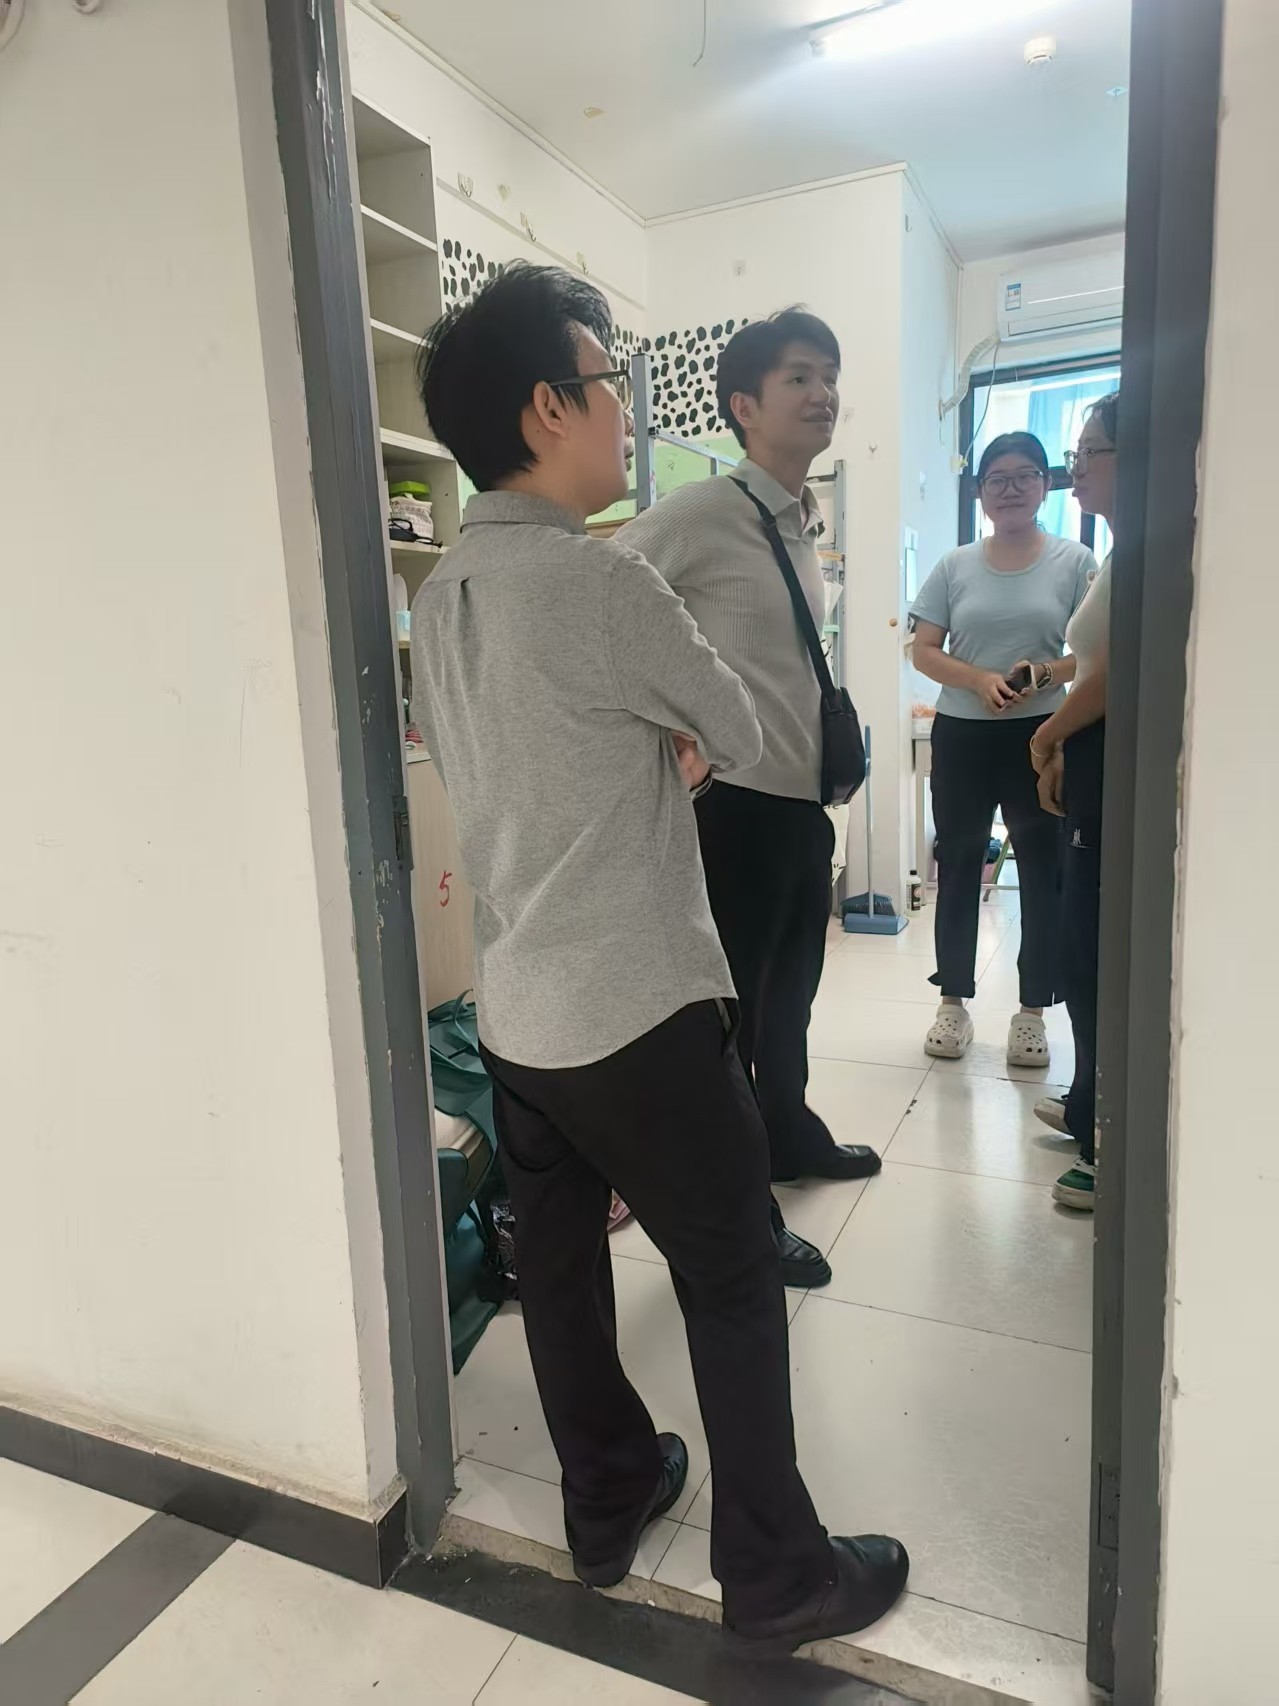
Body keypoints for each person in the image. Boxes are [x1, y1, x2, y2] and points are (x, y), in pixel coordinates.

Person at [409, 264, 908, 1650]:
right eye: (604, 381)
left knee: (562, 1268)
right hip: (633, 999)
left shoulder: (443, 589)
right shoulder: (596, 579)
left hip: (519, 1003)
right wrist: (670, 743)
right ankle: (778, 1572)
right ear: (544, 407)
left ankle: (608, 1495)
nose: (624, 409)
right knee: (733, 1268)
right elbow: (742, 729)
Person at [619, 310, 882, 1199]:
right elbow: (602, 605)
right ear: (743, 405)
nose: (822, 393)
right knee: (730, 1016)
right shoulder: (702, 512)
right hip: (734, 808)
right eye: (798, 377)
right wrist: (669, 730)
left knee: (791, 999)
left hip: (800, 807)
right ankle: (731, 1195)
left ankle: (788, 1136)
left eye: (829, 376)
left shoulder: (798, 521)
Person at [910, 432, 1096, 1066]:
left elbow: (1093, 655)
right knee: (959, 864)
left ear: (1045, 484)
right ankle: (952, 1003)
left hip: (1042, 735)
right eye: (997, 479)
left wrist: (1043, 673)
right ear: (982, 493)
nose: (1010, 489)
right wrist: (978, 680)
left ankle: (1032, 1013)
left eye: (1024, 476)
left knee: (1044, 872)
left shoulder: (1074, 562)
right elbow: (924, 651)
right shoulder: (954, 566)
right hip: (963, 733)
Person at [1029, 394, 1119, 1212]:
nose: (1076, 467)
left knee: (1092, 949)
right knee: (1079, 932)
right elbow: (1091, 663)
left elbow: (1115, 670)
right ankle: (1089, 1097)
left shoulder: (1142, 549)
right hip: (1090, 753)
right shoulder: (1123, 552)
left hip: (1105, 753)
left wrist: (1049, 732)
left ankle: (1104, 1142)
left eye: (1090, 451)